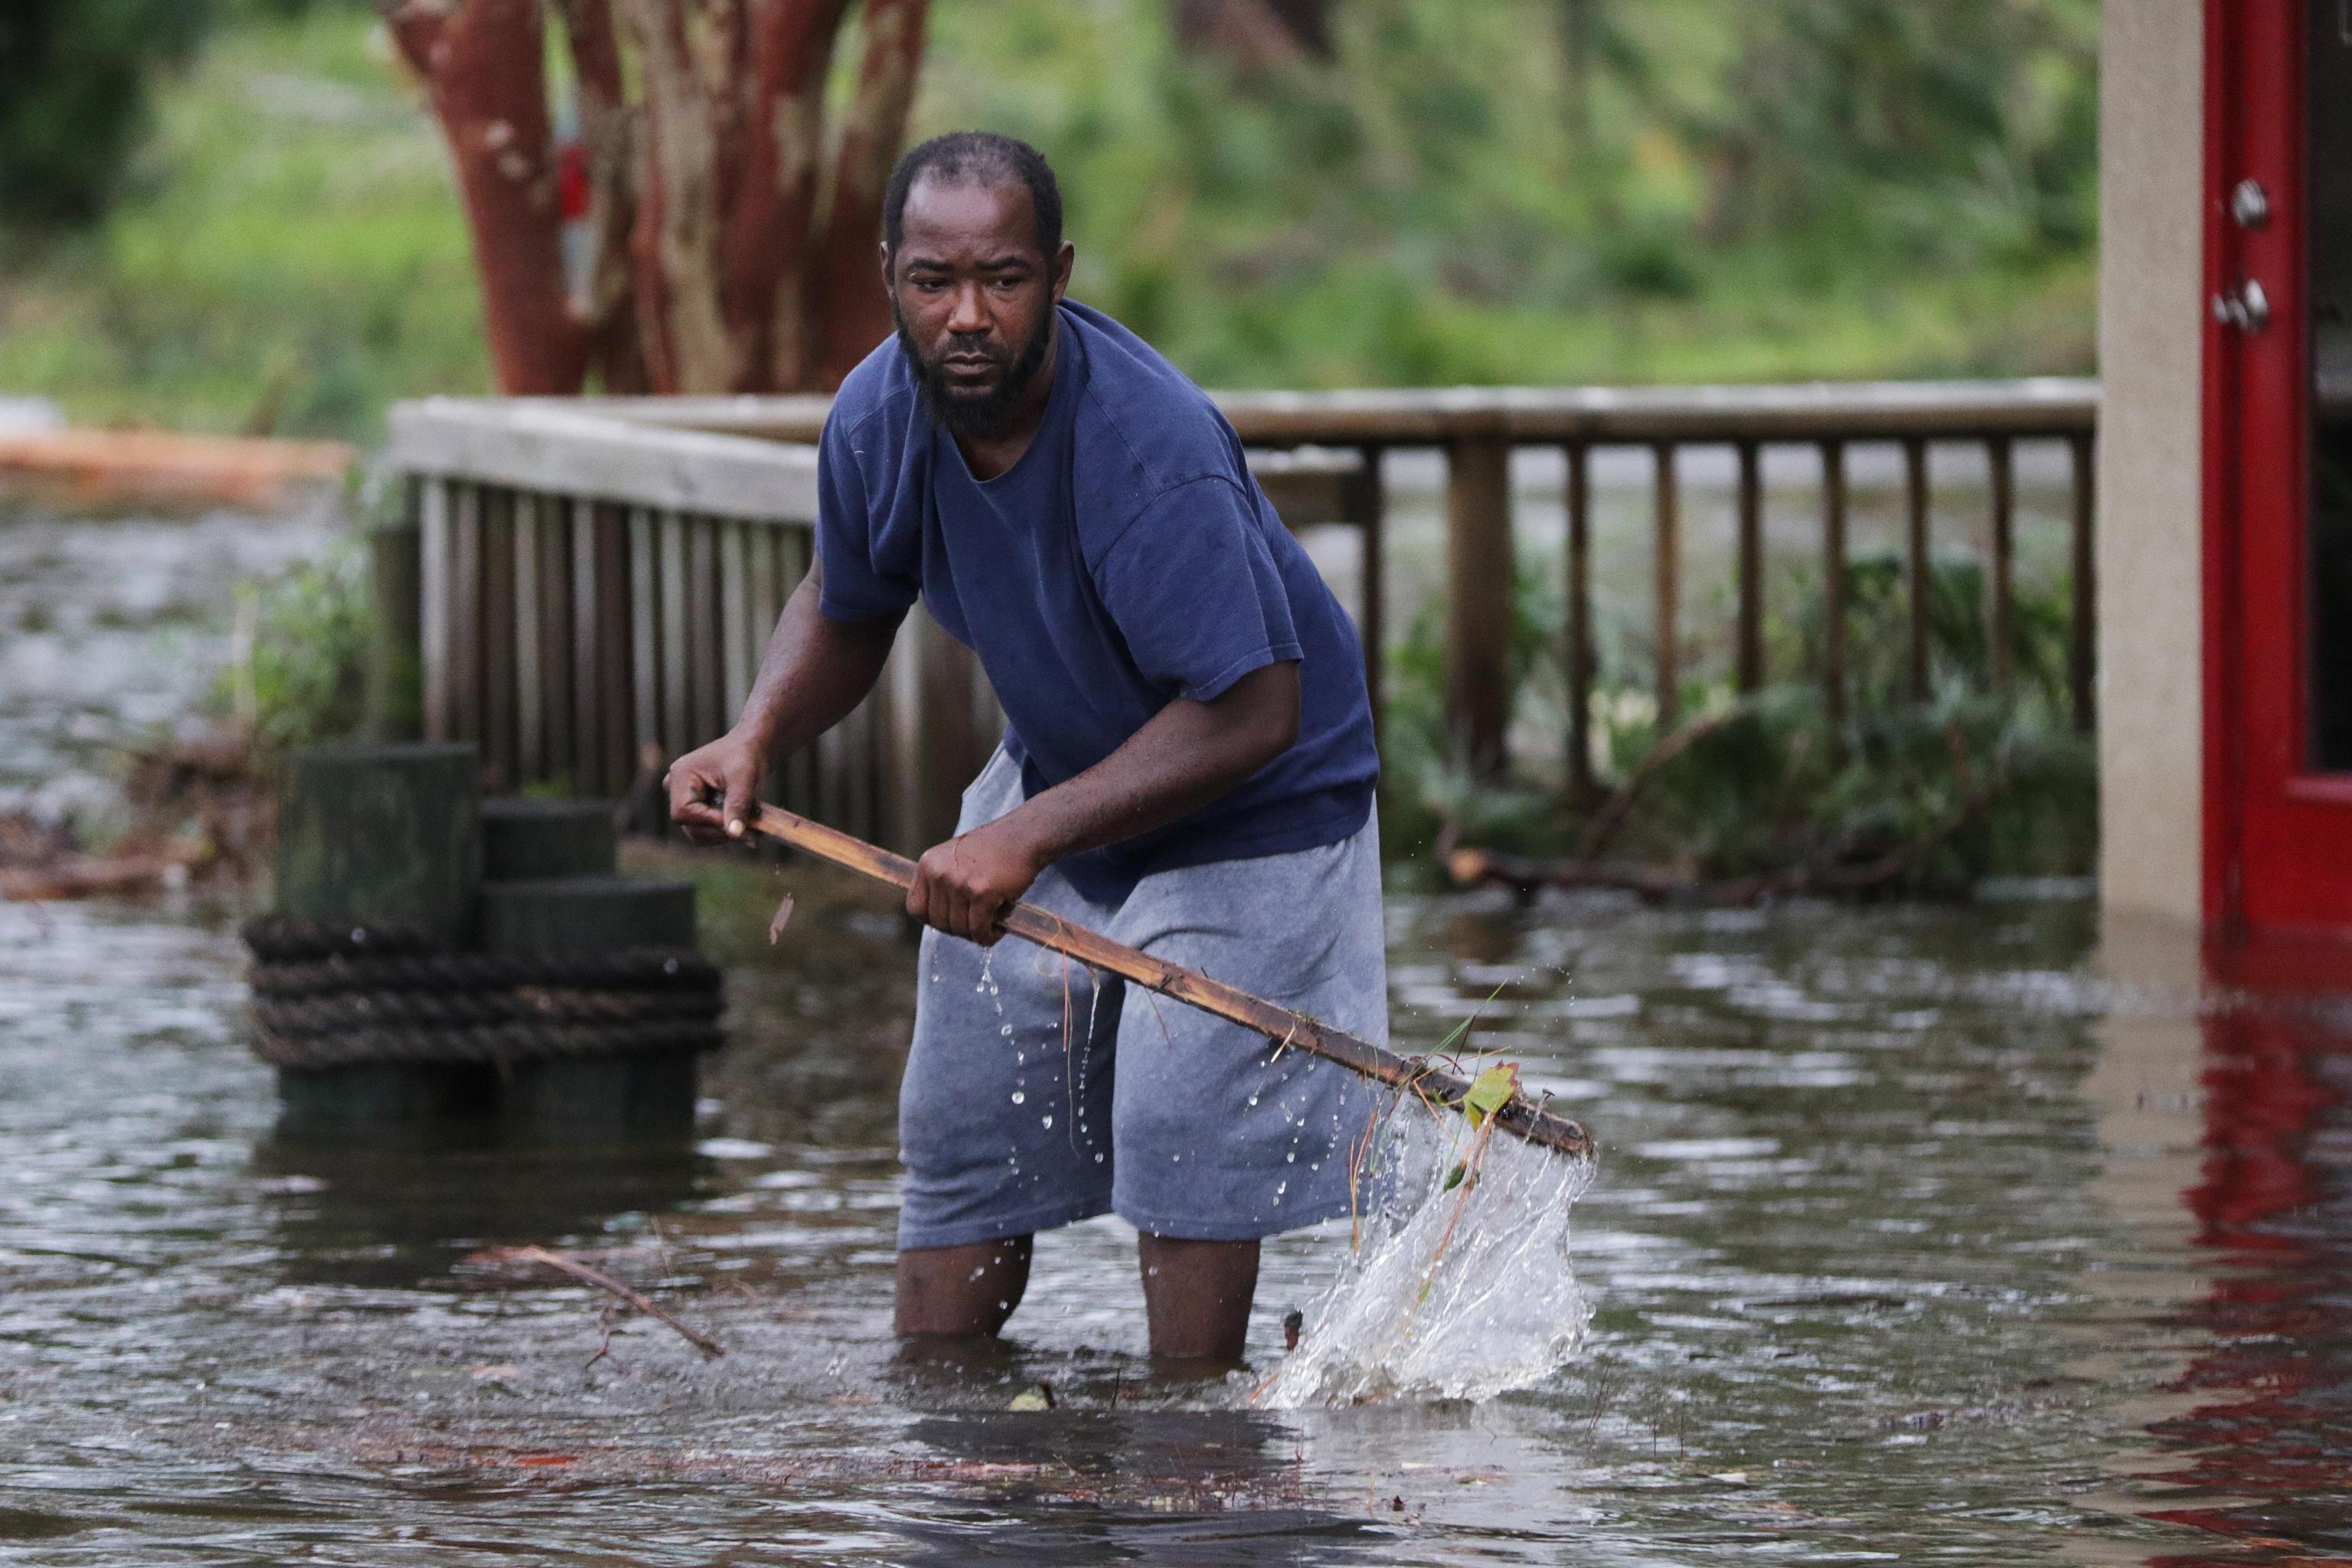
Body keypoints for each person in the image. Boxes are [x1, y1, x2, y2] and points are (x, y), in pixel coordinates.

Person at [666, 131, 1384, 1367]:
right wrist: (755, 731)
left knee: (1180, 1128)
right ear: (889, 274)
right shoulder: (877, 417)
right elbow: (845, 601)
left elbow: (1257, 709)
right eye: (932, 282)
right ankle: (946, 1446)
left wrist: (1022, 836)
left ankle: (1188, 1458)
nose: (967, 317)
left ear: (1056, 273)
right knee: (960, 1127)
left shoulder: (1147, 456)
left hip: (1258, 806)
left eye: (1002, 279)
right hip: (1063, 772)